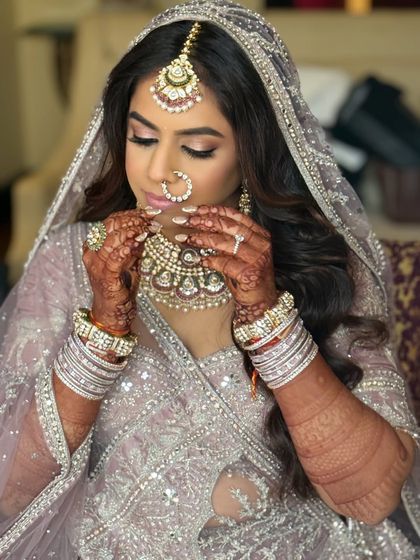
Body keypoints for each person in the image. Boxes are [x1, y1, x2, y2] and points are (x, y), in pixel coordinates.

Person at [0, 1, 419, 557]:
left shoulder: (322, 266)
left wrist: (272, 324)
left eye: (197, 148)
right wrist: (100, 333)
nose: (158, 172)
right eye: (142, 138)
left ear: (252, 151)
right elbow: (10, 489)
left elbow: (371, 497)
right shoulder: (70, 262)